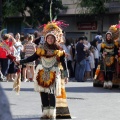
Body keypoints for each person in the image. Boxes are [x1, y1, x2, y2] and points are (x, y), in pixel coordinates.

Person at [17, 21, 71, 119]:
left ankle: (52, 114)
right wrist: (20, 61)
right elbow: (32, 58)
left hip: (54, 72)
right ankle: (45, 113)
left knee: (52, 93)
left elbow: (64, 63)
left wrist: (66, 75)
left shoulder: (59, 50)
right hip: (41, 72)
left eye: (52, 38)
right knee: (43, 93)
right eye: (48, 38)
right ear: (45, 38)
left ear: (55, 39)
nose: (50, 39)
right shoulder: (41, 48)